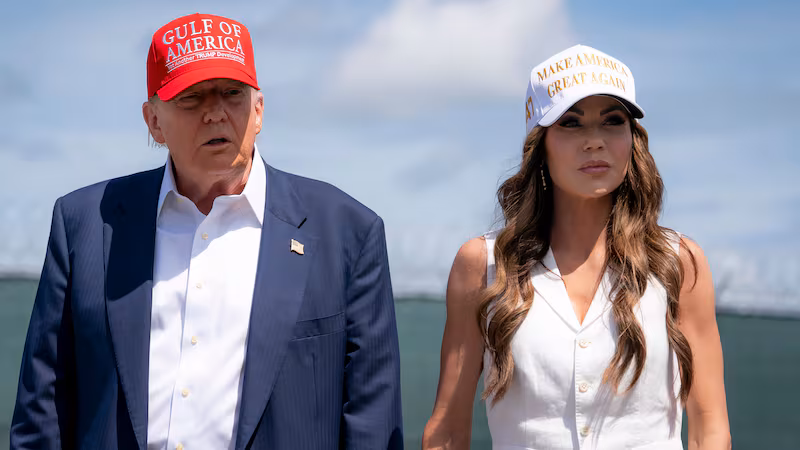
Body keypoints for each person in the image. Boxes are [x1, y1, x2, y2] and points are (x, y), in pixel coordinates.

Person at [11, 13, 403, 450]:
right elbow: (41, 417)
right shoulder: (83, 222)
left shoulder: (347, 232)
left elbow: (372, 426)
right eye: (192, 98)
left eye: (232, 94)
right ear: (153, 121)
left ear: (257, 111)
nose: (216, 112)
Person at [422, 45, 730, 449]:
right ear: (540, 143)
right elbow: (446, 431)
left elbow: (710, 428)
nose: (595, 141)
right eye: (571, 123)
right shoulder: (483, 264)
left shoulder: (679, 262)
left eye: (612, 121)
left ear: (631, 139)